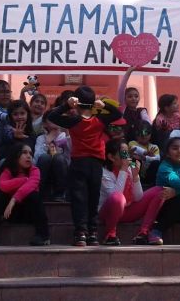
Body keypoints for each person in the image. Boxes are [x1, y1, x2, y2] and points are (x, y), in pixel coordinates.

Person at [47, 86, 122, 246]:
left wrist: (67, 105)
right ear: (92, 103)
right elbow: (118, 114)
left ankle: (81, 233)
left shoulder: (73, 121)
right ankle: (93, 233)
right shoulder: (100, 120)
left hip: (79, 163)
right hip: (96, 164)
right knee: (93, 197)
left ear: (77, 103)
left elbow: (52, 116)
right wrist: (104, 105)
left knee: (79, 198)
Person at [0, 142, 50, 246]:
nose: (29, 156)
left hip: (28, 214)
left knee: (33, 195)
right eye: (24, 153)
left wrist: (14, 199)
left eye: (30, 153)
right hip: (10, 214)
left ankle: (43, 236)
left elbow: (31, 185)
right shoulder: (7, 171)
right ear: (16, 156)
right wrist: (24, 180)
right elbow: (3, 185)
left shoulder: (35, 170)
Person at [98, 140, 168, 245]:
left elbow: (138, 197)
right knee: (118, 198)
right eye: (123, 154)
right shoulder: (104, 173)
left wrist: (135, 177)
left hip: (128, 211)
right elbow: (116, 196)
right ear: (111, 157)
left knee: (160, 190)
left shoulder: (128, 168)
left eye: (127, 153)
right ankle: (110, 234)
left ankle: (143, 232)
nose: (127, 157)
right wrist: (123, 170)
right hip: (108, 213)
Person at [34, 114, 71, 201]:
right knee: (45, 158)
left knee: (58, 158)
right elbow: (36, 159)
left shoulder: (64, 136)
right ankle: (42, 192)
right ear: (45, 124)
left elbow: (70, 154)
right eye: (52, 119)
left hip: (62, 170)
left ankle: (60, 194)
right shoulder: (41, 138)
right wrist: (47, 143)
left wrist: (68, 134)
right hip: (45, 170)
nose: (56, 121)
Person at [118, 66, 152, 142]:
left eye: (136, 96)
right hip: (125, 142)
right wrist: (128, 72)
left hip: (140, 143)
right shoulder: (123, 109)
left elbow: (148, 124)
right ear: (124, 99)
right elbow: (121, 89)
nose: (133, 98)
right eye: (130, 96)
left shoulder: (142, 111)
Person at [129, 121, 160, 187]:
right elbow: (135, 148)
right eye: (140, 133)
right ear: (136, 134)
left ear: (150, 133)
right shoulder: (132, 143)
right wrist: (146, 153)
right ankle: (136, 180)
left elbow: (158, 158)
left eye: (146, 132)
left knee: (156, 163)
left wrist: (145, 158)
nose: (143, 135)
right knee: (134, 161)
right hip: (135, 173)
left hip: (148, 174)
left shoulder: (154, 147)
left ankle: (151, 184)